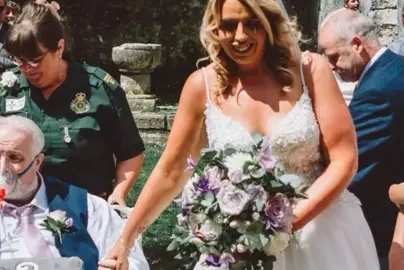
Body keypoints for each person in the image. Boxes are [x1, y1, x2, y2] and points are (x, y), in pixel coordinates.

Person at [104, 0, 379, 269]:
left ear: (270, 22)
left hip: (320, 236)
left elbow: (344, 159)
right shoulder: (201, 86)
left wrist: (281, 227)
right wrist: (125, 239)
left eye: (251, 23)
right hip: (238, 249)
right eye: (228, 25)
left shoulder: (310, 70)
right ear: (215, 28)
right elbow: (171, 171)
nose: (240, 36)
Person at [0, 2, 144, 206]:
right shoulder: (3, 90)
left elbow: (130, 152)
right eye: (20, 61)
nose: (28, 69)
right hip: (15, 211)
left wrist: (118, 193)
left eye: (36, 60)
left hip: (86, 209)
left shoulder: (100, 89)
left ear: (59, 47)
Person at [0, 115, 149, 270]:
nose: (1, 169)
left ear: (38, 161)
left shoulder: (87, 207)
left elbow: (133, 261)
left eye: (14, 158)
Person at [319, 9, 404, 269]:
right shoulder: (395, 67)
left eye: (334, 56)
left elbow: (351, 163)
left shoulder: (378, 91)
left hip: (381, 229)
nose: (330, 66)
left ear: (357, 44)